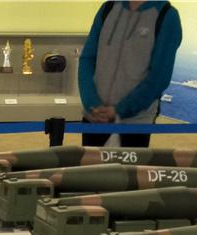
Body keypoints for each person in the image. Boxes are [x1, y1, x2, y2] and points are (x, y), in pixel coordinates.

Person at [78, 0, 182, 147]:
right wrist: (92, 104)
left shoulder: (167, 16)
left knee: (129, 164)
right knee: (91, 163)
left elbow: (159, 77)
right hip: (94, 118)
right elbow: (87, 59)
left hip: (135, 124)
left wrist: (119, 110)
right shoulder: (108, 8)